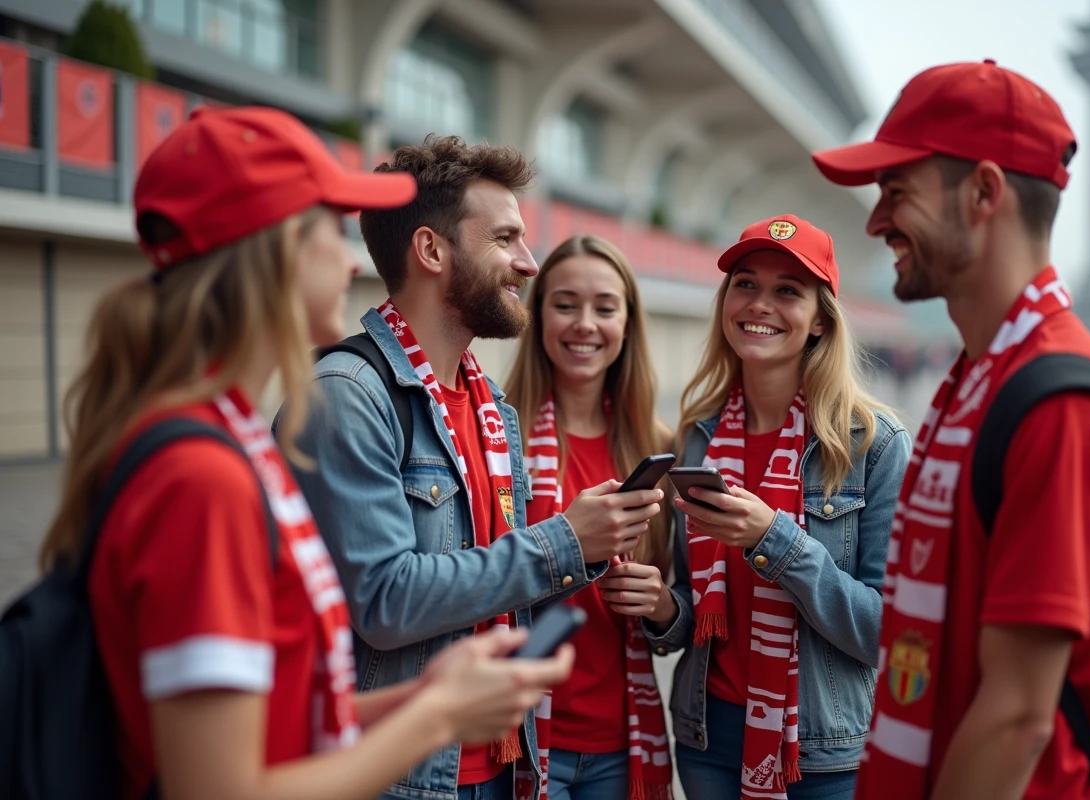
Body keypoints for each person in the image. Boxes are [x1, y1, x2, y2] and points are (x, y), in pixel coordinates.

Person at [37, 106, 574, 800]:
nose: (353, 258)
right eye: (328, 228)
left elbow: (283, 718)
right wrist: (438, 715)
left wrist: (424, 697)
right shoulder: (204, 477)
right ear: (278, 249)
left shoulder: (220, 442)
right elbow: (219, 787)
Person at [280, 135, 663, 800]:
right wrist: (565, 542)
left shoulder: (489, 407)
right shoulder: (350, 394)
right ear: (432, 250)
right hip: (405, 773)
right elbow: (386, 601)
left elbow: (492, 587)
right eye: (506, 238)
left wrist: (600, 557)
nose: (527, 261)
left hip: (502, 763)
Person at [813, 59, 1090, 800]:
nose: (874, 221)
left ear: (984, 193)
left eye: (896, 192)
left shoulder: (1058, 401)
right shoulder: (981, 375)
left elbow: (1017, 719)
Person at [646, 214, 910, 800]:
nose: (760, 304)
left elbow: (888, 633)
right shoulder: (698, 436)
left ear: (821, 319)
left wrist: (776, 539)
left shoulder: (876, 444)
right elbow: (696, 610)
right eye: (746, 283)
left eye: (787, 290)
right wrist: (663, 608)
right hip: (706, 738)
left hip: (822, 757)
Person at [504, 235, 676, 800]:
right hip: (521, 736)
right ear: (537, 314)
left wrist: (660, 605)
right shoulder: (497, 438)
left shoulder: (657, 447)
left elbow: (681, 617)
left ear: (627, 323)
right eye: (564, 304)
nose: (585, 324)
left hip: (621, 746)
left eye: (605, 307)